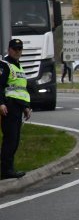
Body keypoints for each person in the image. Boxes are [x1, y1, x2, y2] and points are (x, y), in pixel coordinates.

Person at [0, 39, 32, 180]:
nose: (17, 51)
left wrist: (26, 107)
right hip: (8, 107)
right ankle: (6, 170)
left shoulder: (18, 67)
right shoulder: (4, 65)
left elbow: (21, 89)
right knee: (10, 139)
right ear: (9, 49)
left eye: (19, 49)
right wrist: (1, 104)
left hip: (17, 108)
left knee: (15, 140)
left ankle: (9, 168)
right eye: (15, 49)